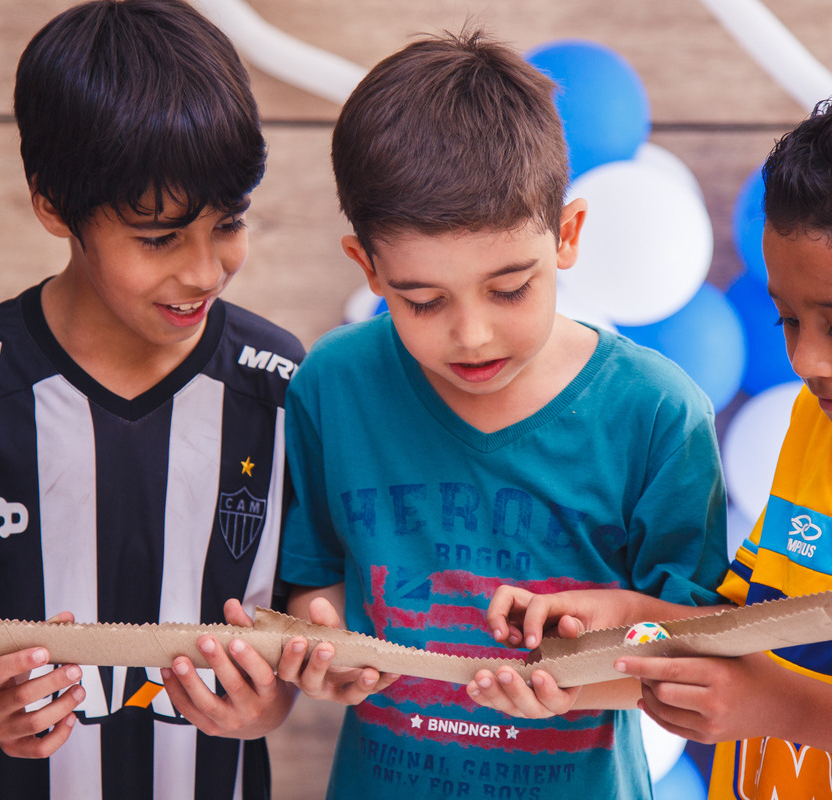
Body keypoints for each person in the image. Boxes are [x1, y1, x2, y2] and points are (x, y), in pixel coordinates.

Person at [491, 72, 832, 799]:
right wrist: (623, 632)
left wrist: (784, 707)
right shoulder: (821, 420)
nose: (804, 360)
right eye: (788, 319)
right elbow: (742, 638)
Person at [275, 29, 729, 800]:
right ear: (369, 268)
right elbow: (313, 587)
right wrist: (322, 638)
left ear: (569, 236)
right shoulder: (333, 385)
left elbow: (697, 658)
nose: (472, 333)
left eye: (510, 288)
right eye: (422, 300)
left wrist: (578, 680)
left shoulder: (656, 412)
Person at [0, 1, 305, 798]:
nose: (206, 270)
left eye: (229, 223)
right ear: (54, 207)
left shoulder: (279, 385)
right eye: (159, 237)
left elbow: (307, 625)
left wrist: (269, 701)